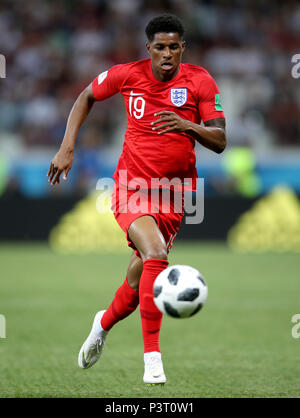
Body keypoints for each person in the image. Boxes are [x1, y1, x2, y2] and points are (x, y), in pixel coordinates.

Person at [47, 14, 226, 385]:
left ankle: (103, 323)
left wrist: (187, 125)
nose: (166, 54)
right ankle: (153, 359)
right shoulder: (127, 75)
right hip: (132, 186)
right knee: (157, 256)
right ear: (149, 49)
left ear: (182, 49)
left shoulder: (200, 81)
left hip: (175, 196)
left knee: (138, 275)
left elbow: (220, 140)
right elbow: (86, 96)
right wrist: (67, 146)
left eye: (173, 47)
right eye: (159, 47)